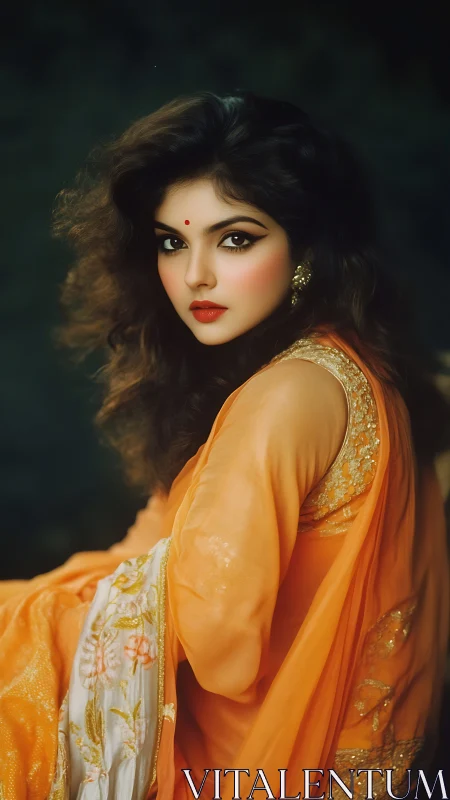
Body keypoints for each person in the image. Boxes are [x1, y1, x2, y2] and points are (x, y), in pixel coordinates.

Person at [0, 90, 449, 800]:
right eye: (172, 241)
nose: (195, 276)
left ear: (304, 250)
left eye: (235, 238)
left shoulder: (286, 396)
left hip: (240, 769)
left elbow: (225, 654)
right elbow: (152, 544)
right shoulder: (354, 367)